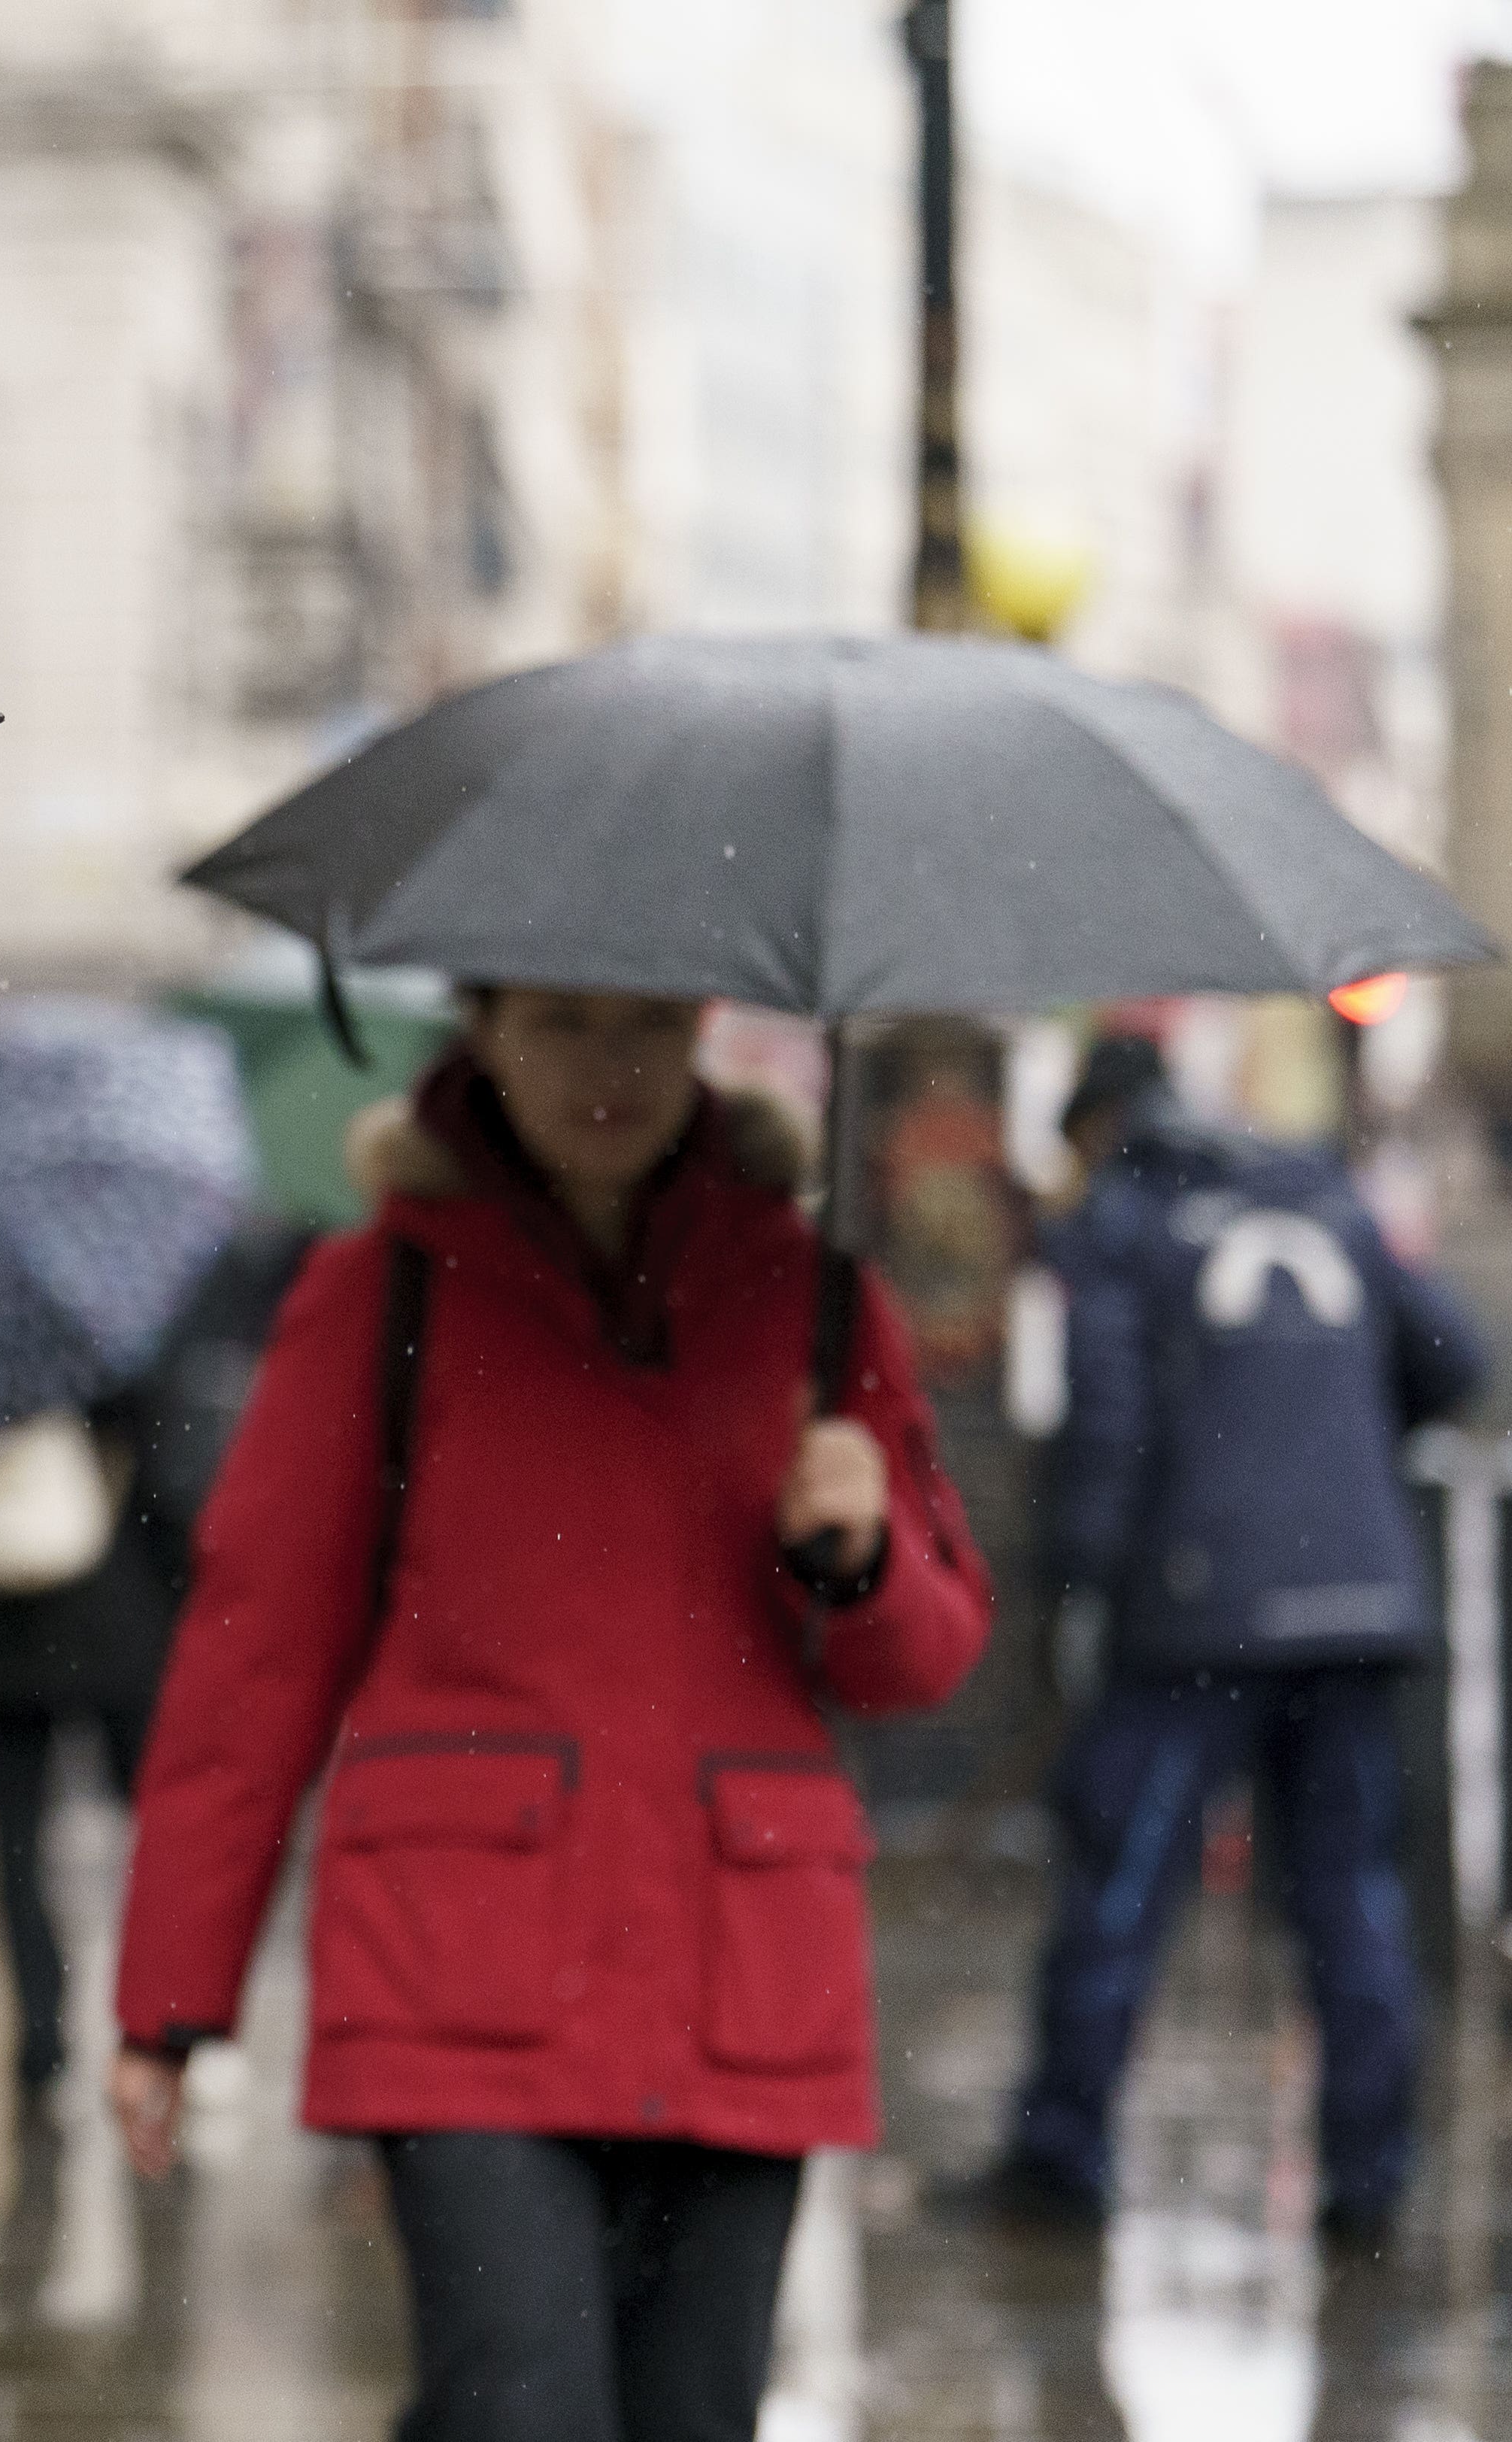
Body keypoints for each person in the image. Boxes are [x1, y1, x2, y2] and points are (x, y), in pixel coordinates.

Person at [106, 989, 992, 2442]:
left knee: (691, 2422)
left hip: (743, 1977)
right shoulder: (384, 1287)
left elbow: (929, 1656)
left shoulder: (817, 1304)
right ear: (483, 1030)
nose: (609, 1066)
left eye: (646, 1022)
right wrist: (170, 1998)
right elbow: (256, 1654)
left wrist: (864, 1551)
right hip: (460, 1969)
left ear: (703, 1026)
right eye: (561, 1023)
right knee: (519, 2410)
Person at [980, 1033, 1486, 2248]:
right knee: (1349, 1896)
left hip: (1195, 1609)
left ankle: (1064, 2154)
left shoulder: (1121, 1216)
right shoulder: (1315, 1186)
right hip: (1358, 1605)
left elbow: (1104, 1420)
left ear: (1096, 1125)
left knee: (1124, 1877)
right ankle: (1370, 2177)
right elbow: (1455, 1357)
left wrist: (1081, 1587)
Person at [0, 1221, 311, 2108]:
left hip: (8, 1610)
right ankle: (156, 2023)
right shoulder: (140, 1289)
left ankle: (41, 2039)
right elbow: (173, 1465)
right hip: (119, 1613)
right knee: (150, 1824)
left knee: (20, 1837)